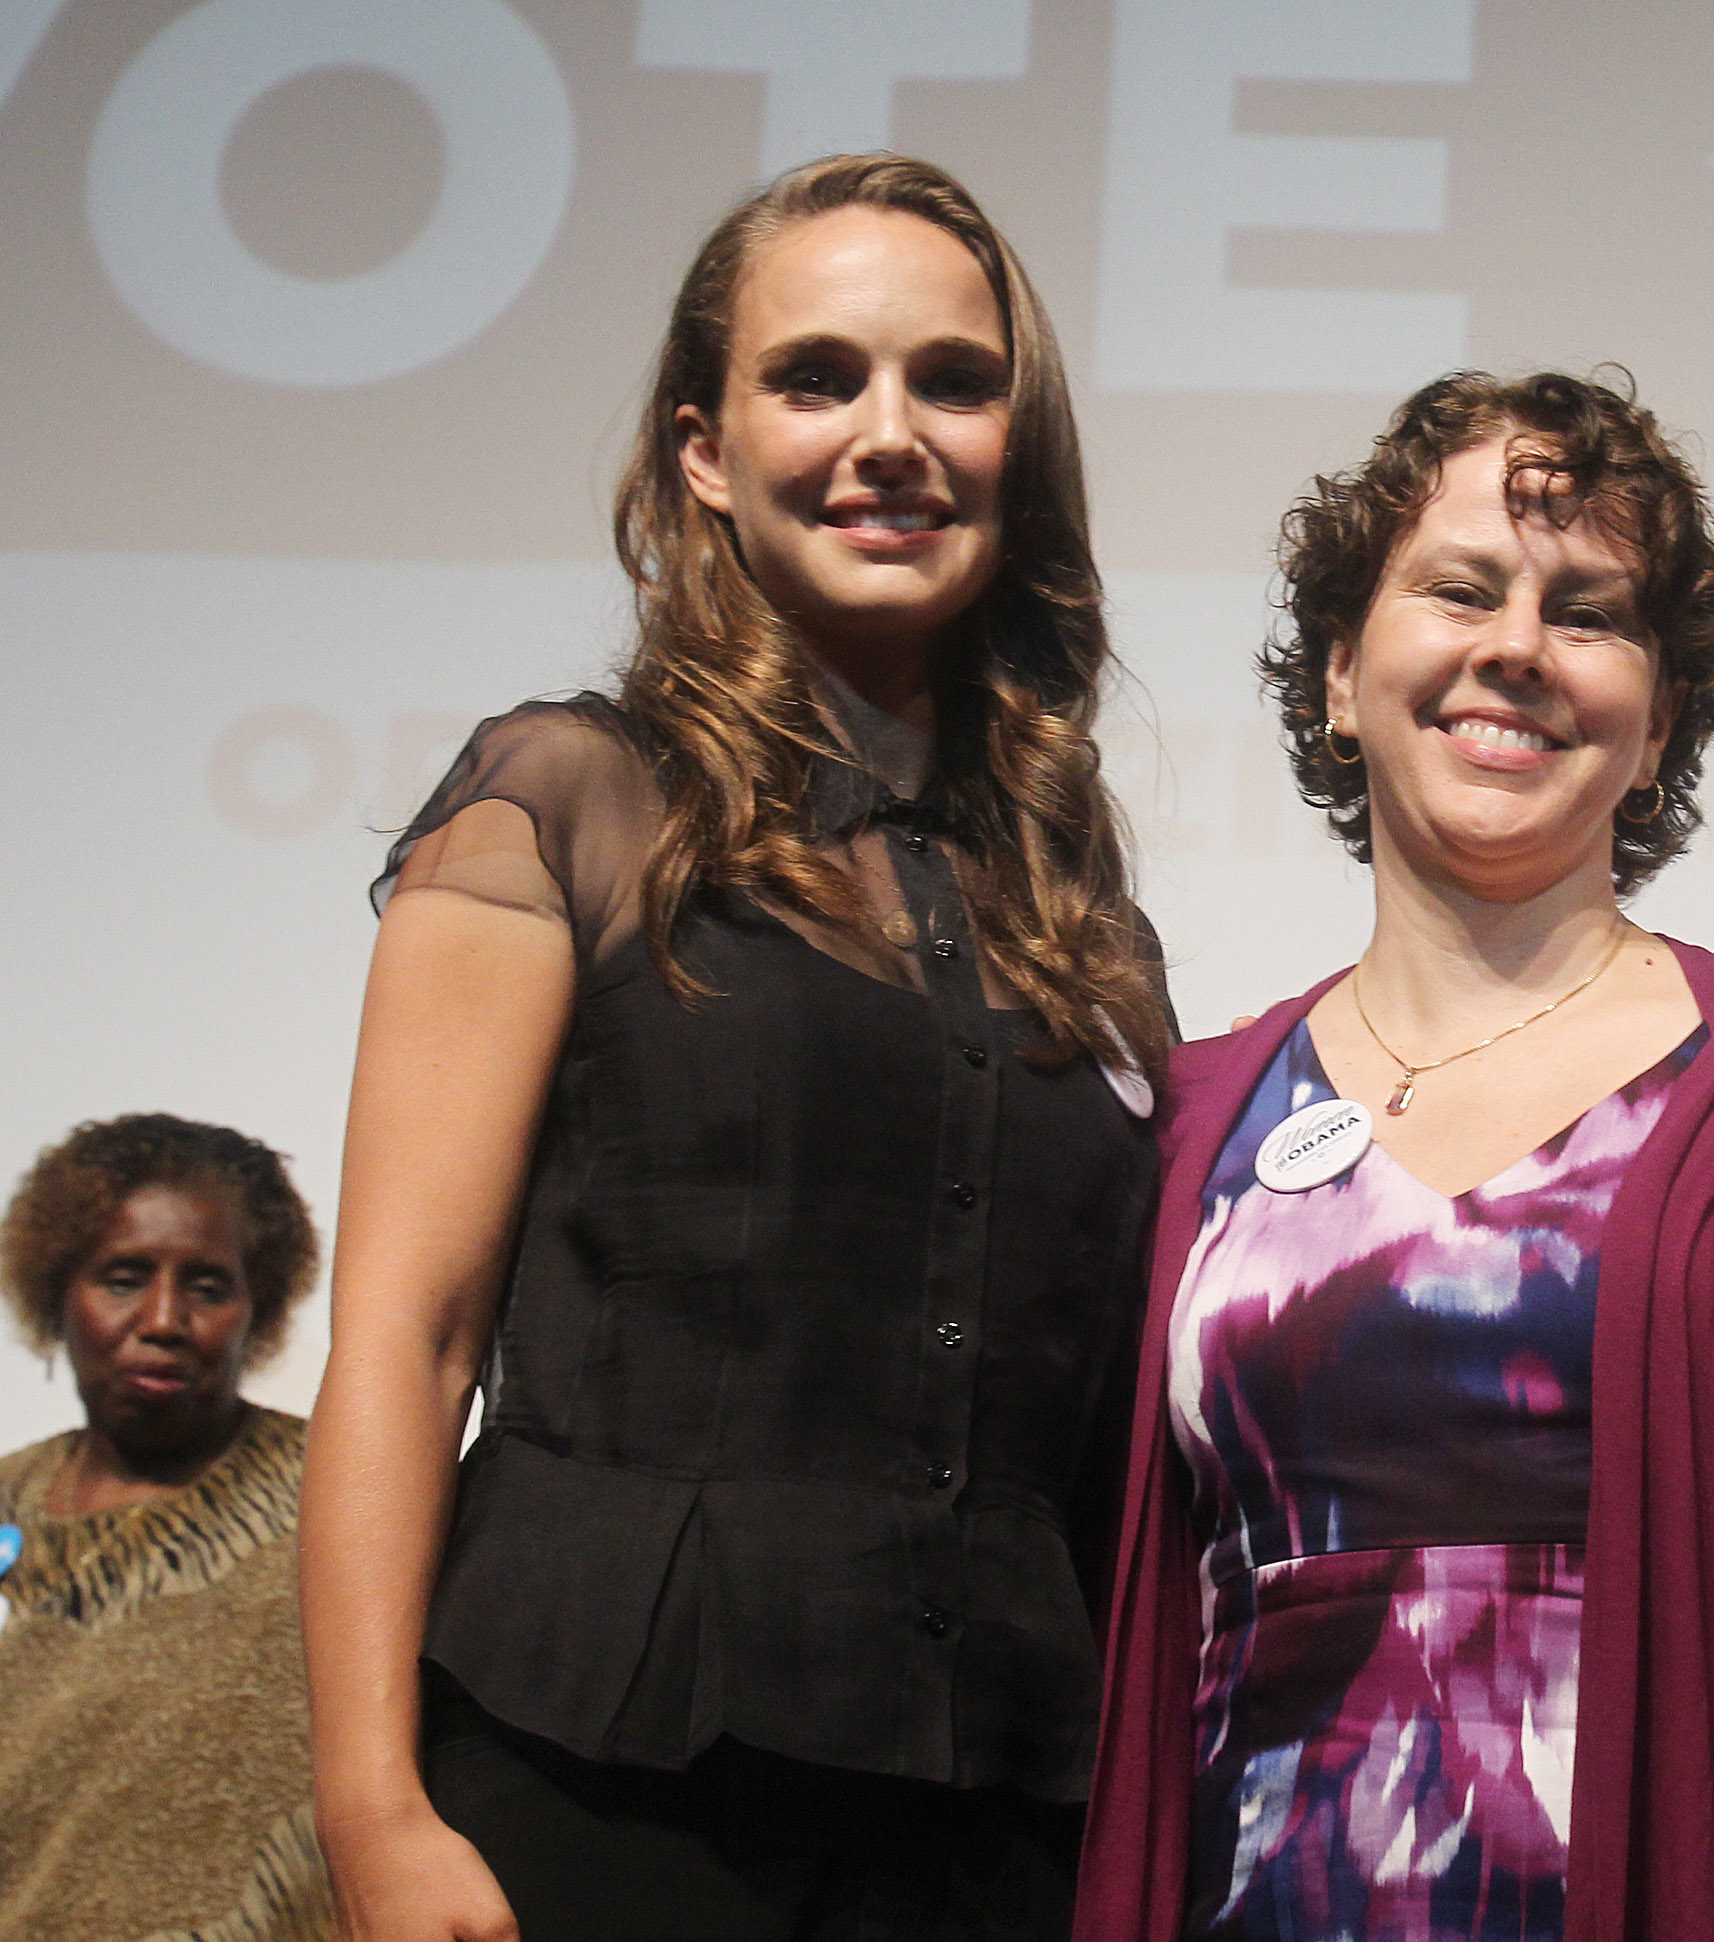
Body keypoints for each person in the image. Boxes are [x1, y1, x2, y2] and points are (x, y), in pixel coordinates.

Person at [300, 154, 1172, 1942]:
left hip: (994, 1832)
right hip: (597, 1793)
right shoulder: (566, 800)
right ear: (705, 450)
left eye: (954, 381)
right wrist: (371, 1807)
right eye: (817, 378)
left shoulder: (1083, 923)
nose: (890, 435)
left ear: (1020, 445)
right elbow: (409, 1333)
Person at [1075, 372, 1714, 1942]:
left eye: (1586, 611)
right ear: (1341, 673)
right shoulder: (1188, 1120)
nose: (1517, 646)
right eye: (1460, 590)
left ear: (1659, 722)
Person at [0, 1114, 332, 1941]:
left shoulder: (335, 1495)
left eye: (208, 1287)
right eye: (123, 1279)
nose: (162, 1319)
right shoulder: (7, 1502)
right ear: (56, 1292)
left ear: (260, 1305)